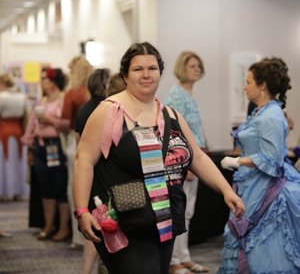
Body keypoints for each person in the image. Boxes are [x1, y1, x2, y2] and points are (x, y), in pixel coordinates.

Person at [73, 42, 245, 274]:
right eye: (138, 69)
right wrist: (82, 211)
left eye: (152, 68)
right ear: (125, 75)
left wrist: (227, 191)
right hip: (124, 220)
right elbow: (83, 161)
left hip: (164, 218)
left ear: (160, 73)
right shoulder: (108, 111)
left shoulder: (170, 115)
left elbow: (198, 158)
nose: (146, 75)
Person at [218, 57, 300, 273]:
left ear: (262, 85)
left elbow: (271, 159)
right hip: (251, 182)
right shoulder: (261, 111)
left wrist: (238, 161)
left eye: (249, 82)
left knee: (264, 242)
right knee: (242, 232)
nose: (244, 87)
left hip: (264, 187)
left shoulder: (271, 115)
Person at [164, 51, 209, 274]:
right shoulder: (176, 94)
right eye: (192, 66)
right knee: (179, 212)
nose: (197, 69)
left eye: (199, 66)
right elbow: (173, 131)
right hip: (184, 161)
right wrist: (185, 163)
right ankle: (174, 261)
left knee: (188, 213)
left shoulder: (189, 94)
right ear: (182, 68)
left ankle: (184, 256)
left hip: (196, 157)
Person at [22, 68, 71, 241]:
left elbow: (68, 124)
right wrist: (29, 147)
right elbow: (31, 126)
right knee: (45, 187)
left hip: (56, 146)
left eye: (44, 79)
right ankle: (48, 225)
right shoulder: (41, 101)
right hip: (40, 146)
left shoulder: (64, 99)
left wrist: (51, 121)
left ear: (52, 82)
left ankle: (64, 227)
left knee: (60, 187)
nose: (41, 82)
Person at [74, 68, 111, 274]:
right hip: (102, 174)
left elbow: (78, 146)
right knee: (101, 224)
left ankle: (87, 270)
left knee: (93, 222)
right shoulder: (107, 109)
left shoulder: (83, 108)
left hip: (85, 173)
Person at [60, 54, 93, 249]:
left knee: (74, 189)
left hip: (76, 142)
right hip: (97, 144)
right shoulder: (97, 92)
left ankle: (78, 237)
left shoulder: (72, 93)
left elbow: (65, 123)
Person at [0, 73, 29, 201]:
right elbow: (26, 115)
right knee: (19, 162)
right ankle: (20, 191)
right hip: (19, 131)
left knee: (6, 163)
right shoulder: (22, 97)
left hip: (4, 132)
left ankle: (7, 191)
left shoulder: (1, 97)